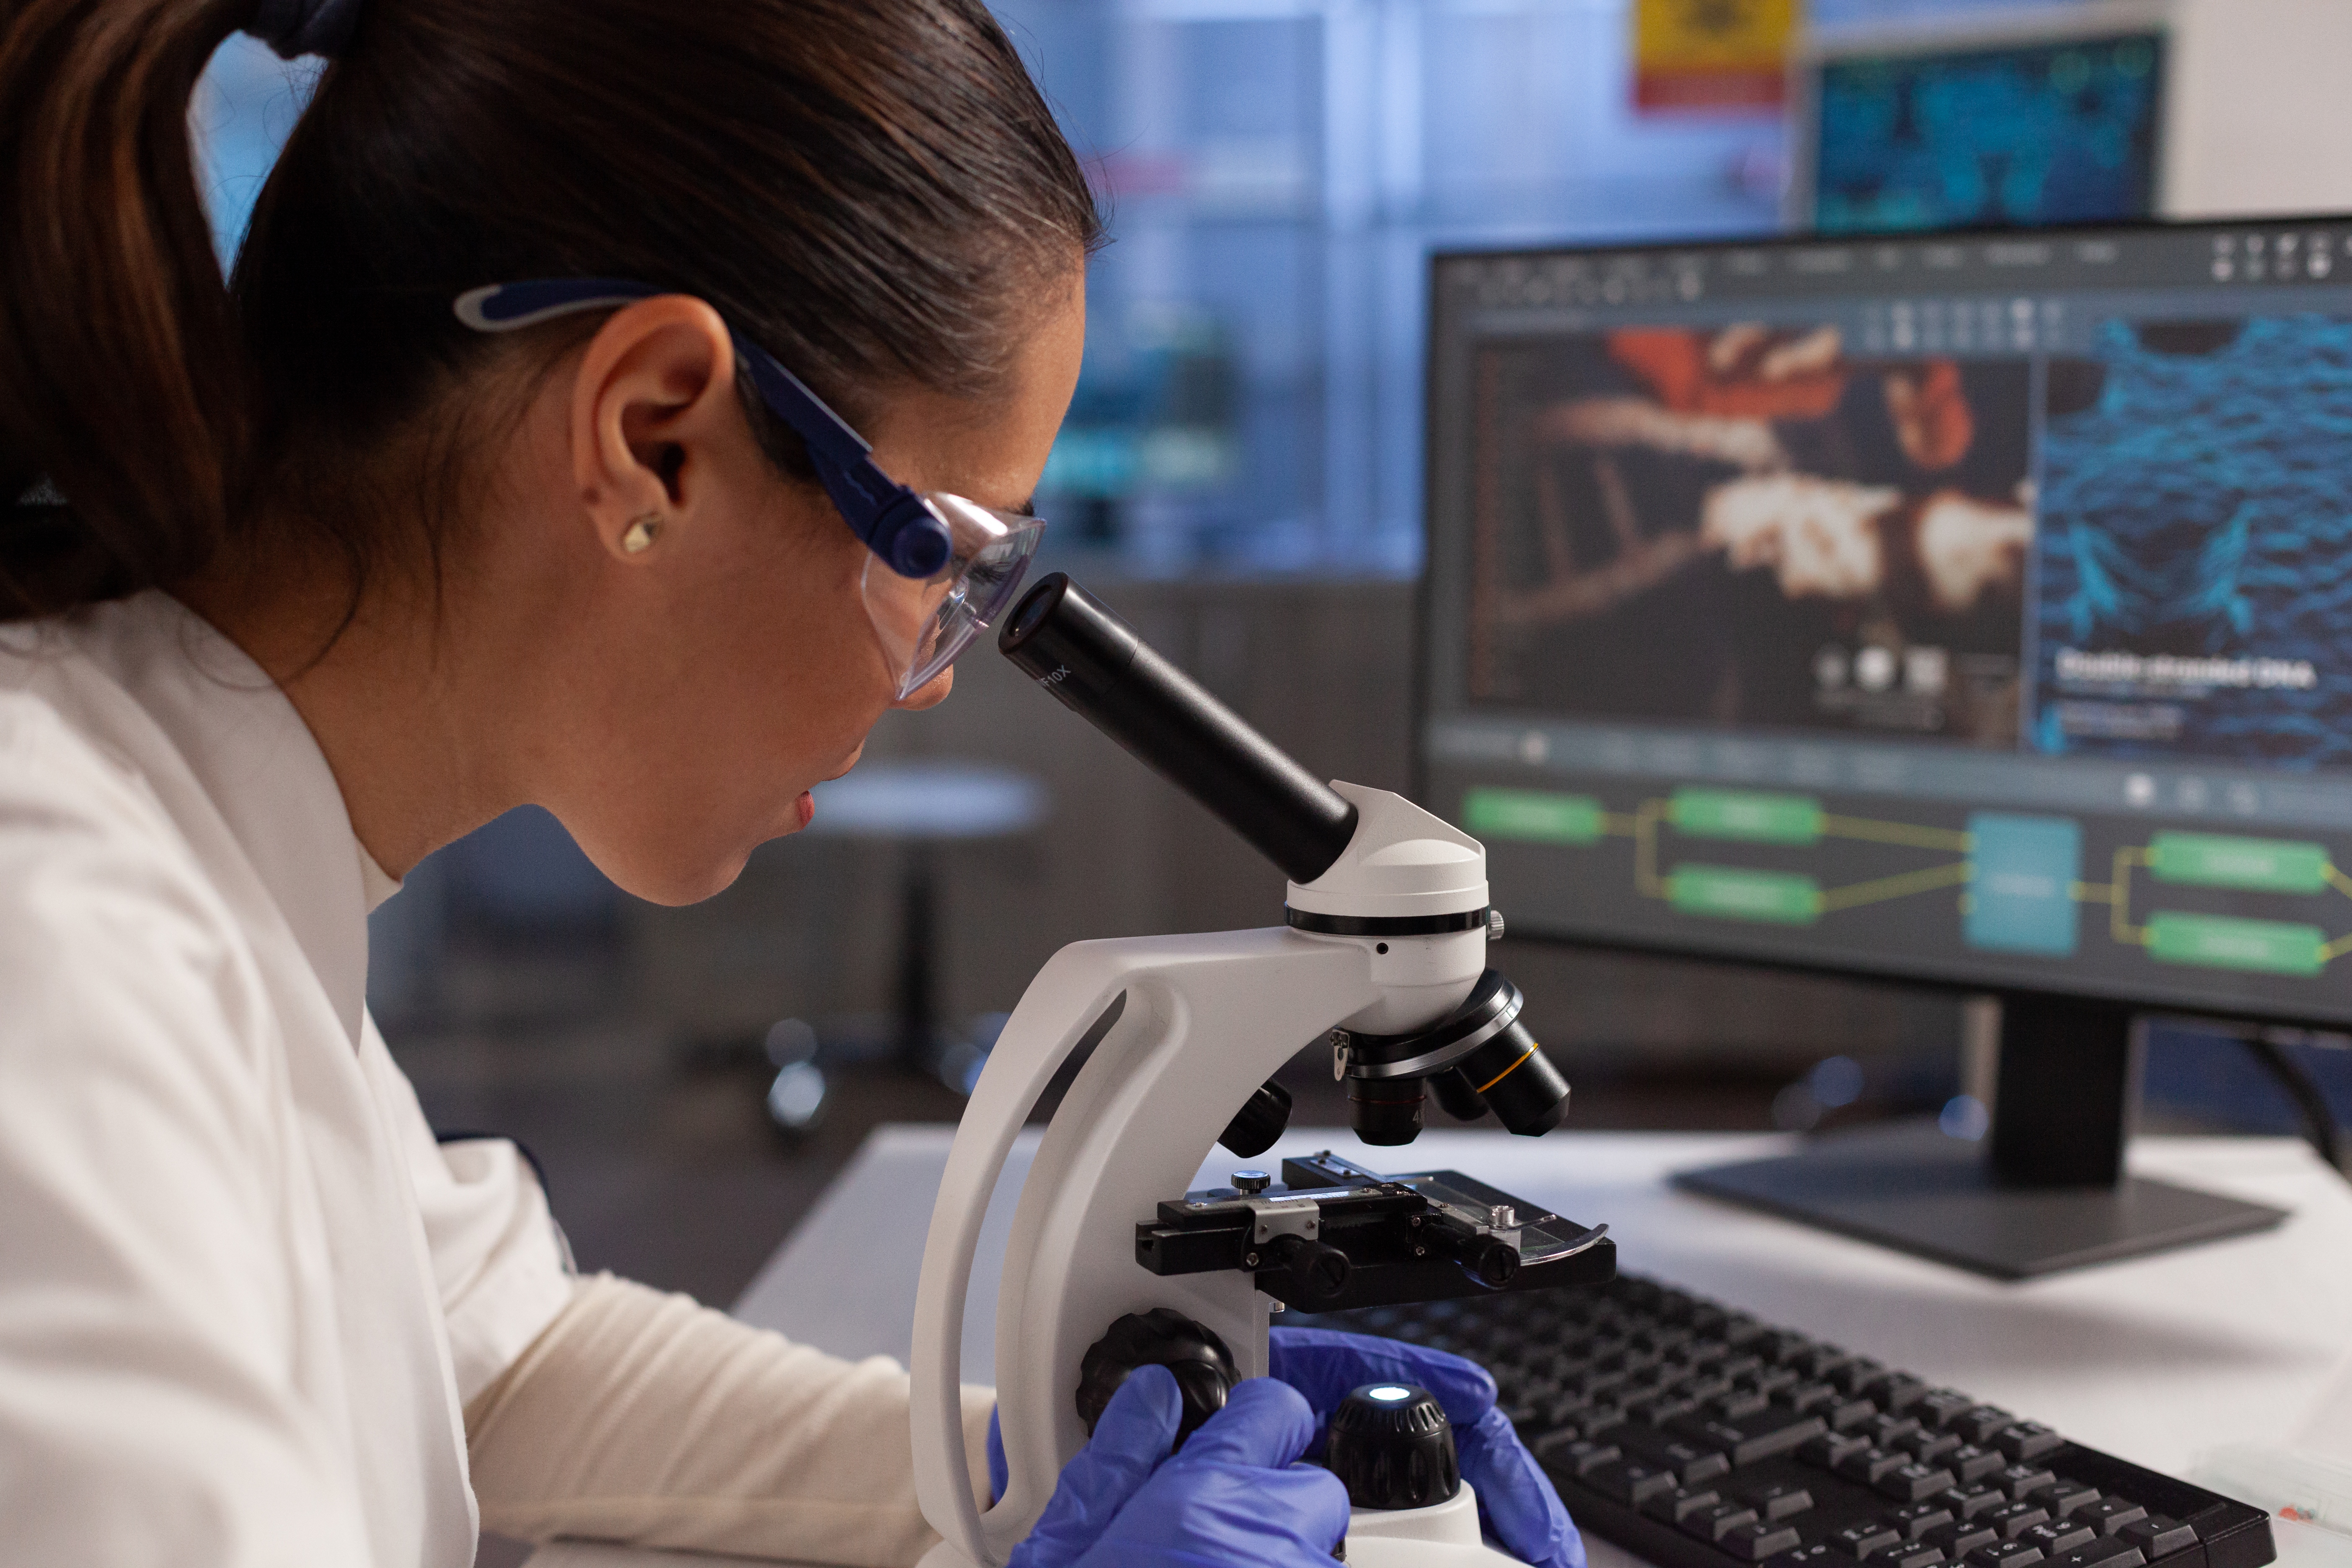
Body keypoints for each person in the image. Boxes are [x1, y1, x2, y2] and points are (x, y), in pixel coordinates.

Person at [0, 0, 1583, 1565]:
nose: (936, 669)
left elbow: (502, 1362)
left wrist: (1036, 1458)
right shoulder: (60, 955)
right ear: (653, 439)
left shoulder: (207, 854)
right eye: (941, 559)